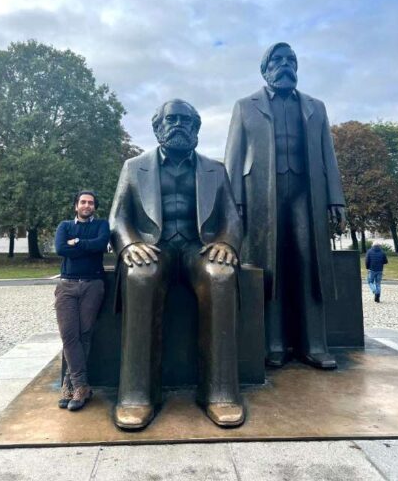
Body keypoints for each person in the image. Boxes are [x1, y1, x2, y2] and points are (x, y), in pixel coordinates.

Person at [110, 99, 244, 430]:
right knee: (140, 276)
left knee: (221, 275)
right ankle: (138, 395)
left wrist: (226, 242)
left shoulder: (216, 169)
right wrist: (129, 243)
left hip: (199, 246)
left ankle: (220, 392)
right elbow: (118, 217)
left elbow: (232, 217)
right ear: (157, 128)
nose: (179, 125)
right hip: (154, 247)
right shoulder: (133, 167)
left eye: (187, 121)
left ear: (197, 129)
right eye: (172, 120)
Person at [225, 42, 346, 370]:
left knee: (310, 264)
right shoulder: (245, 106)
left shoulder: (315, 107)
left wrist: (336, 197)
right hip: (262, 193)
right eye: (277, 60)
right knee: (270, 264)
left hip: (307, 192)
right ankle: (274, 343)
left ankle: (315, 344)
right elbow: (234, 157)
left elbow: (328, 155)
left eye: (290, 60)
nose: (285, 65)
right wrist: (234, 200)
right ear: (265, 69)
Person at [54, 191, 110, 411]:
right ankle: (81, 385)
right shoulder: (64, 226)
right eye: (83, 202)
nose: (87, 205)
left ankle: (71, 385)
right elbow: (60, 249)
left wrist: (76, 243)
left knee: (84, 334)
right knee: (68, 335)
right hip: (67, 285)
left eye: (91, 203)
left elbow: (101, 244)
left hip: (92, 284)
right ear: (76, 205)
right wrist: (86, 245)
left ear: (94, 207)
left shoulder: (102, 225)